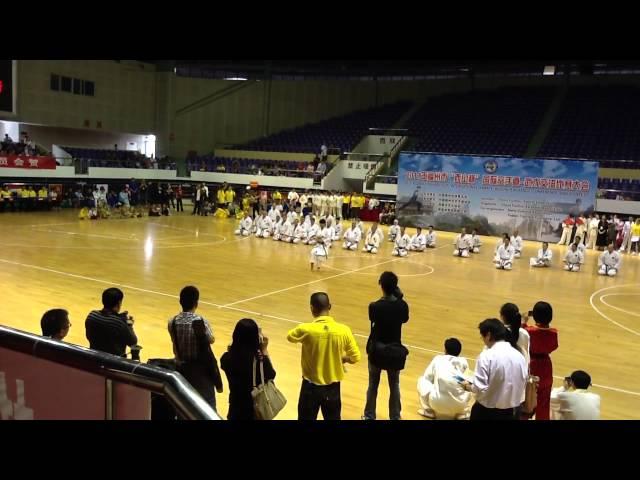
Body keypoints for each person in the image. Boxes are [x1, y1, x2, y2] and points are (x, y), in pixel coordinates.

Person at [287, 293, 361, 420]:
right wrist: (343, 358)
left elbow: (290, 337)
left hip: (310, 388)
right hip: (332, 389)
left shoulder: (305, 329)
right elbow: (355, 357)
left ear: (311, 308)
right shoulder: (344, 330)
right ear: (330, 306)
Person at [362, 272, 409, 420]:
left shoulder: (375, 306)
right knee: (394, 385)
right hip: (394, 350)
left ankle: (369, 416)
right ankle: (395, 416)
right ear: (396, 286)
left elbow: (373, 318)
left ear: (381, 286)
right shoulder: (402, 306)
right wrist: (399, 296)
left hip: (377, 350)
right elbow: (405, 319)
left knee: (373, 384)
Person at [460, 319, 528, 420]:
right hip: (513, 412)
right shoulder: (520, 356)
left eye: (482, 336)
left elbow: (479, 388)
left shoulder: (486, 356)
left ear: (488, 335)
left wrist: (467, 386)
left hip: (487, 413)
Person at [169, 286, 220, 410]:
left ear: (180, 302)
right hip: (200, 371)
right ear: (196, 303)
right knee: (207, 406)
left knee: (184, 405)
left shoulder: (172, 322)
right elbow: (211, 339)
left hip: (182, 369)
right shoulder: (200, 321)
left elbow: (175, 345)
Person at [220, 319, 275, 420]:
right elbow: (272, 374)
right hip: (254, 411)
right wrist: (264, 349)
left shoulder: (226, 359)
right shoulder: (259, 362)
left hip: (235, 408)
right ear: (255, 338)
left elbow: (232, 357)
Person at [417, 338, 472, 420]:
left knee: (422, 380)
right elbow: (468, 382)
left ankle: (428, 411)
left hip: (437, 403)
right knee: (469, 385)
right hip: (460, 404)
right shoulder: (464, 361)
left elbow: (427, 377)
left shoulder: (438, 359)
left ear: (445, 350)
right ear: (459, 352)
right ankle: (462, 414)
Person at [523, 301, 558, 420]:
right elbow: (554, 346)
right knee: (544, 402)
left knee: (527, 400)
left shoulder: (529, 331)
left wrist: (523, 321)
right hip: (546, 366)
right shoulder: (554, 333)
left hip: (531, 365)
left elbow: (520, 333)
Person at [85, 288, 138, 357]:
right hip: (114, 362)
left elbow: (89, 336)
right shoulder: (119, 323)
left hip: (94, 356)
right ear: (119, 303)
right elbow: (133, 342)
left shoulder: (92, 315)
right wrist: (129, 325)